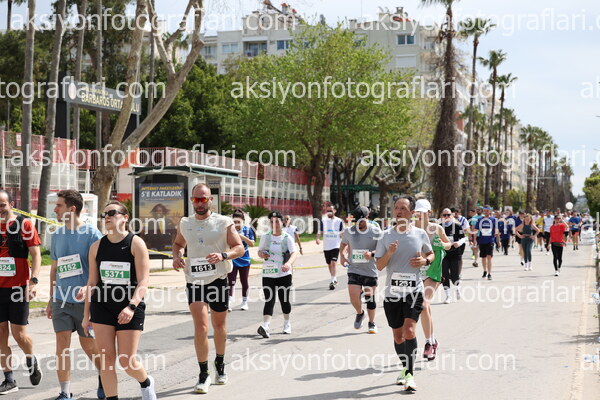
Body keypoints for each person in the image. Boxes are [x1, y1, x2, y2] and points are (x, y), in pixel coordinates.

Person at [172, 184, 244, 394]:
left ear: (211, 200)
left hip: (218, 279)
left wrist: (223, 256)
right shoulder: (185, 223)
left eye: (203, 199)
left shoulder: (223, 222)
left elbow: (239, 248)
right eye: (196, 199)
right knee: (201, 327)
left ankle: (220, 364)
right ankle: (203, 373)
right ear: (192, 201)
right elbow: (178, 244)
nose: (199, 203)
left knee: (219, 326)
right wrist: (177, 256)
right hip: (195, 281)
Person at [82, 201, 157, 400]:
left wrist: (131, 307)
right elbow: (92, 282)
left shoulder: (136, 243)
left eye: (112, 213)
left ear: (125, 217)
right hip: (101, 306)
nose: (106, 217)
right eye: (104, 214)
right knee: (106, 360)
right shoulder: (96, 247)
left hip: (129, 307)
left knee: (127, 361)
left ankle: (146, 382)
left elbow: (144, 280)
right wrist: (85, 315)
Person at [47, 190, 104, 400]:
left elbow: (100, 270)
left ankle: (104, 376)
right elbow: (54, 269)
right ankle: (64, 392)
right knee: (61, 345)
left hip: (84, 302)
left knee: (88, 344)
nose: (55, 209)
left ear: (72, 209)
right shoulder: (57, 234)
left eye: (59, 205)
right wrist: (51, 299)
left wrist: (90, 291)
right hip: (61, 299)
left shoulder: (92, 234)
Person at [375, 195, 434, 392]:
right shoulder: (385, 235)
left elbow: (431, 253)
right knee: (398, 336)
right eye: (397, 208)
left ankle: (409, 374)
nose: (399, 211)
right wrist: (389, 253)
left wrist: (425, 261)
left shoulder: (420, 234)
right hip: (393, 293)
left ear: (412, 213)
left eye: (403, 208)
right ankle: (404, 367)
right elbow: (379, 265)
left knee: (409, 331)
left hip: (414, 291)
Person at [0, 190, 43, 395]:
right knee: (1, 334)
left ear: (11, 204)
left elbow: (36, 255)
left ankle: (31, 359)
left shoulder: (24, 224)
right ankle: (9, 379)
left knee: (19, 335)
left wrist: (33, 281)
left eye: (2, 205)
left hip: (18, 288)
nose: (0, 209)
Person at [414, 200, 451, 361]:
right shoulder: (411, 228)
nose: (421, 215)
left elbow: (448, 244)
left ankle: (429, 343)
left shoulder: (437, 228)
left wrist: (441, 243)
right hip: (415, 272)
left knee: (423, 305)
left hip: (433, 271)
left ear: (429, 212)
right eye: (418, 212)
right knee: (424, 308)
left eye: (424, 212)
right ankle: (433, 340)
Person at [339, 206, 381, 334]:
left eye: (361, 221)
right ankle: (360, 313)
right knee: (353, 297)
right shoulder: (349, 231)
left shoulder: (376, 231)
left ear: (367, 217)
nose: (358, 223)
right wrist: (342, 256)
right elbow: (343, 244)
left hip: (370, 270)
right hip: (354, 269)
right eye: (355, 220)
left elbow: (382, 249)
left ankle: (372, 322)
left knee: (370, 298)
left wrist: (372, 254)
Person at [256, 211, 298, 338]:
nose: (274, 224)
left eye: (277, 221)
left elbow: (294, 253)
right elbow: (259, 251)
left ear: (282, 222)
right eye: (272, 221)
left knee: (284, 300)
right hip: (269, 272)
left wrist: (288, 264)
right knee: (269, 299)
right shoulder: (265, 237)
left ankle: (287, 322)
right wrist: (262, 254)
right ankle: (265, 326)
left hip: (284, 273)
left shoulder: (287, 237)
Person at [227, 209, 255, 311]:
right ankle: (229, 302)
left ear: (243, 221)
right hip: (233, 259)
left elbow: (252, 244)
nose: (237, 224)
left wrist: (242, 237)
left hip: (245, 260)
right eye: (235, 222)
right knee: (231, 281)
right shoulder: (229, 230)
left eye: (239, 222)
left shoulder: (248, 230)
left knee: (244, 281)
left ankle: (244, 302)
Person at [315, 204, 344, 290]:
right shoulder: (323, 220)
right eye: (327, 211)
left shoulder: (339, 221)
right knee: (329, 264)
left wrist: (344, 243)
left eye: (330, 210)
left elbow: (343, 232)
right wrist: (317, 238)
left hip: (335, 245)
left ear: (334, 211)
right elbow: (320, 231)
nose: (329, 212)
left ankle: (332, 280)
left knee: (333, 262)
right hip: (326, 246)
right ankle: (334, 278)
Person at [441, 210, 467, 303]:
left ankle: (457, 288)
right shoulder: (439, 227)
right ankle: (448, 296)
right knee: (444, 276)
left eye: (448, 215)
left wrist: (458, 243)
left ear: (451, 216)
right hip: (444, 254)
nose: (446, 216)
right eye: (444, 215)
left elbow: (464, 238)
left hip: (455, 254)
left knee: (455, 276)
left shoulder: (457, 226)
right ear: (442, 216)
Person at [473, 206, 500, 280]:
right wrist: (474, 239)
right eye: (484, 211)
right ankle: (484, 271)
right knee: (483, 257)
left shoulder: (494, 220)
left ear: (490, 211)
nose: (485, 212)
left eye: (487, 211)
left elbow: (497, 231)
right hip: (482, 240)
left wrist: (498, 241)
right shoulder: (480, 220)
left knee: (489, 257)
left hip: (490, 240)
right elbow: (476, 230)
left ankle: (489, 273)